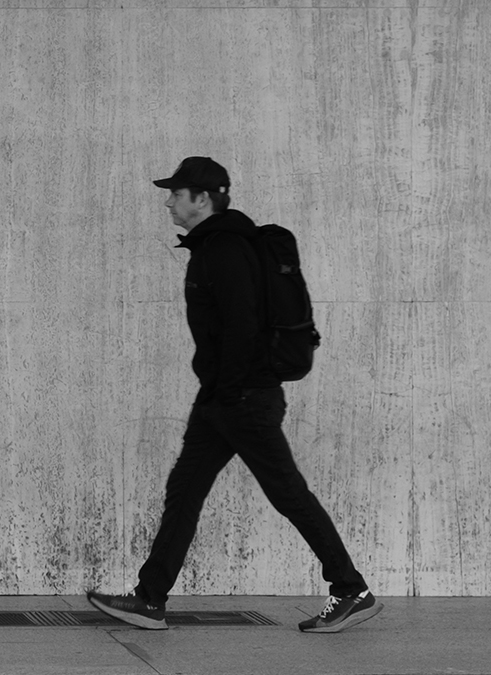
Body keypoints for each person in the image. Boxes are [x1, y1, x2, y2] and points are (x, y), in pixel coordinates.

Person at [86, 157, 381, 633]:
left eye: (176, 194)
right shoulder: (217, 245)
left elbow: (242, 325)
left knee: (287, 493)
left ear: (202, 199)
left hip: (242, 398)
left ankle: (351, 589)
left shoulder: (222, 248)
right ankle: (149, 598)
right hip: (224, 398)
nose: (168, 202)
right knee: (184, 492)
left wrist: (228, 392)